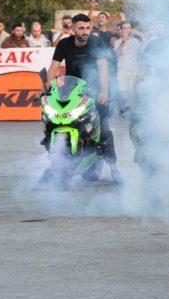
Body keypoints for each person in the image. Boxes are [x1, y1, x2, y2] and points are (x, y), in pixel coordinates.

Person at [45, 13, 120, 183]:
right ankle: (53, 164)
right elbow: (54, 67)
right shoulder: (64, 44)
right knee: (53, 121)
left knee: (104, 130)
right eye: (81, 28)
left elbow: (103, 68)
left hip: (95, 93)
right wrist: (46, 87)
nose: (85, 31)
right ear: (73, 28)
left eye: (87, 28)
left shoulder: (96, 42)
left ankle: (114, 169)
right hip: (71, 91)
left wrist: (104, 92)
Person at [114, 20, 143, 113]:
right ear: (121, 30)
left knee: (132, 90)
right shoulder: (117, 42)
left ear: (131, 29)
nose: (126, 30)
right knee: (122, 90)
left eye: (128, 28)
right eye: (124, 28)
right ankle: (125, 106)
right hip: (122, 70)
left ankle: (129, 107)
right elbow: (117, 53)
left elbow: (141, 56)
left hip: (134, 69)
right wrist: (123, 42)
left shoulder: (137, 42)